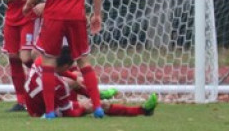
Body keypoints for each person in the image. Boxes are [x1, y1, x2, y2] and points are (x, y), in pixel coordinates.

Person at [23, 0, 106, 119]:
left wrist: (29, 4)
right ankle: (97, 108)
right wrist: (97, 14)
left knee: (48, 61)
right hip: (77, 15)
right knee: (83, 61)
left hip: (55, 16)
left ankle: (50, 112)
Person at [23, 48, 157, 118]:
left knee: (75, 81)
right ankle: (142, 110)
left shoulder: (41, 61)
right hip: (40, 112)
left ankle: (97, 95)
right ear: (65, 66)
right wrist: (85, 109)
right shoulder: (59, 86)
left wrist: (74, 77)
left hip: (34, 102)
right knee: (98, 105)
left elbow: (60, 74)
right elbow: (69, 113)